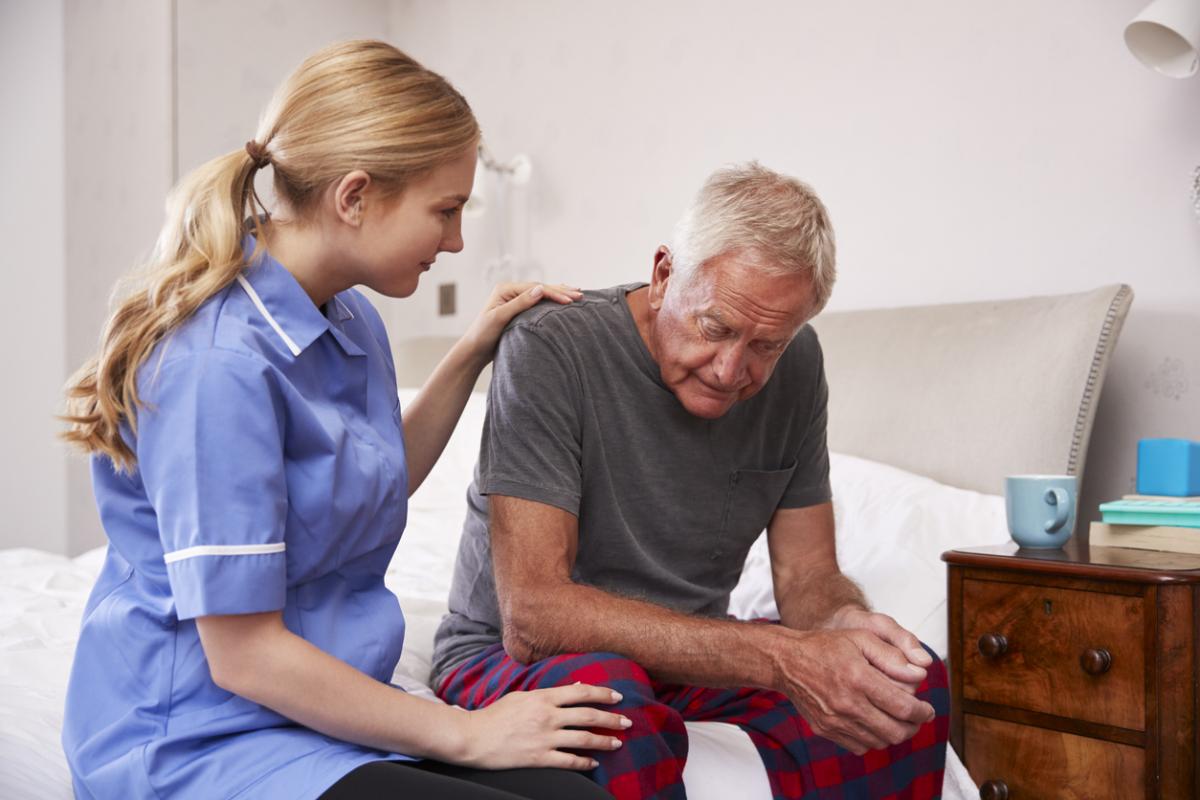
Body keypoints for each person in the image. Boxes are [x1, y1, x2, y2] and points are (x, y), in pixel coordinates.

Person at [59, 40, 625, 800]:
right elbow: (244, 657)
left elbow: (373, 474)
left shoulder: (349, 317)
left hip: (316, 715)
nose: (456, 240)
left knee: (580, 793)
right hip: (199, 737)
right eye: (447, 211)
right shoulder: (214, 364)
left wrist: (471, 351)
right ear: (354, 197)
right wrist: (469, 733)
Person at [432, 163, 950, 799]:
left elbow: (805, 576)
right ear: (663, 275)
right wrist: (783, 659)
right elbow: (534, 615)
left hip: (690, 659)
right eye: (717, 328)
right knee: (609, 706)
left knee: (908, 688)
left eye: (768, 345)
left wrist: (845, 627)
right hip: (513, 657)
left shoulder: (799, 366)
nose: (733, 368)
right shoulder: (552, 347)